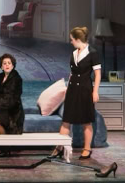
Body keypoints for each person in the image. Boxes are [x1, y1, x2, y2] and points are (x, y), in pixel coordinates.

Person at [50, 26, 101, 160]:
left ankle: (87, 149)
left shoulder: (92, 53)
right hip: (72, 90)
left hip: (85, 90)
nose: (71, 42)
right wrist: (68, 88)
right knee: (66, 120)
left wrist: (95, 92)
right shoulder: (74, 53)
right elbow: (72, 73)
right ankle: (59, 148)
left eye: (72, 39)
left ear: (78, 39)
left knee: (86, 121)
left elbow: (97, 74)